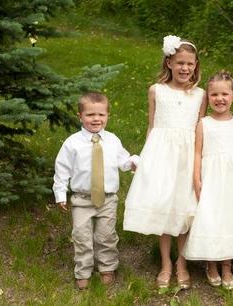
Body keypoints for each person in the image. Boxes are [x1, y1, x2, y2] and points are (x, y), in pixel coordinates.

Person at [123, 35, 207, 290]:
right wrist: (147, 160)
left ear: (195, 66)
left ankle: (181, 263)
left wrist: (199, 163)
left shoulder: (200, 94)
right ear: (169, 62)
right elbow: (152, 127)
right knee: (164, 206)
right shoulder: (156, 91)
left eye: (190, 64)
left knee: (184, 207)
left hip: (187, 156)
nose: (185, 68)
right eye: (180, 62)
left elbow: (200, 130)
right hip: (162, 155)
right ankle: (165, 263)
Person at [52, 92, 139, 290]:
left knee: (106, 235)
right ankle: (83, 270)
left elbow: (122, 161)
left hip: (107, 199)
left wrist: (132, 163)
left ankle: (107, 267)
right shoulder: (72, 143)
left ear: (108, 116)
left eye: (101, 115)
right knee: (81, 237)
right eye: (90, 115)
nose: (96, 119)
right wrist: (60, 194)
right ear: (80, 116)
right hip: (82, 199)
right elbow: (62, 169)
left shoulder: (112, 140)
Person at [183, 71, 233, 290]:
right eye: (214, 94)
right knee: (211, 218)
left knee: (229, 219)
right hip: (211, 179)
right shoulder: (204, 123)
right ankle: (211, 263)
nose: (219, 99)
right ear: (208, 97)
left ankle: (227, 264)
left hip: (231, 181)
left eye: (225, 94)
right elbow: (197, 153)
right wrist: (197, 180)